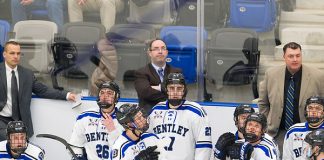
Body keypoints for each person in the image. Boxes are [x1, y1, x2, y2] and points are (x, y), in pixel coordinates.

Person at [0, 41, 76, 141]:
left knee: (20, 152)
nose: (15, 56)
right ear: (4, 54)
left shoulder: (27, 74)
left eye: (18, 53)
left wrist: (66, 95)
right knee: (8, 147)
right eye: (12, 53)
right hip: (2, 119)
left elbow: (43, 90)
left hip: (21, 122)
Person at [258, 42, 324, 151]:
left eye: (298, 55)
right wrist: (266, 124)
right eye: (291, 56)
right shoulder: (271, 74)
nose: (295, 59)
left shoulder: (318, 76)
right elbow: (263, 103)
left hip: (308, 133)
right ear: (284, 57)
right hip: (278, 133)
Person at [147, 73, 212, 160]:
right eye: (171, 88)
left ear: (184, 90)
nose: (175, 92)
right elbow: (147, 139)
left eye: (179, 88)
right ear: (166, 90)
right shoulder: (156, 110)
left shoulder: (196, 111)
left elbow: (204, 145)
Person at [69, 81, 124, 159]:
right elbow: (75, 144)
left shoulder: (124, 120)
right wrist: (78, 157)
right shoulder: (85, 117)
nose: (105, 96)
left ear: (116, 97)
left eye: (109, 93)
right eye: (102, 93)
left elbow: (124, 151)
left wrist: (112, 130)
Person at [214, 104, 279, 160]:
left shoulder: (267, 145)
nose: (252, 128)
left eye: (256, 125)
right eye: (243, 117)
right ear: (236, 119)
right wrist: (218, 156)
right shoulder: (229, 138)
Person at [134, 39, 182, 112]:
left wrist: (159, 87)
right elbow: (145, 92)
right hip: (149, 115)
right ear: (150, 53)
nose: (160, 51)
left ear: (167, 52)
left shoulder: (176, 72)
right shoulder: (141, 73)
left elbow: (183, 92)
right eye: (156, 49)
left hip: (172, 115)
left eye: (163, 48)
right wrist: (169, 92)